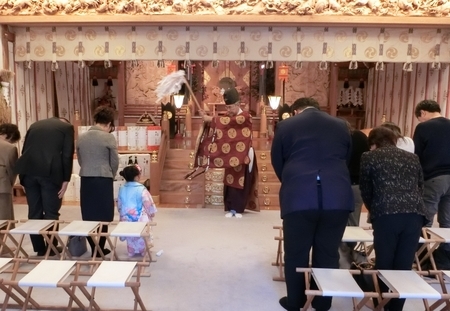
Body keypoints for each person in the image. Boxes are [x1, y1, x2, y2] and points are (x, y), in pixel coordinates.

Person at [271, 97, 353, 311]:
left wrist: (292, 180)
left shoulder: (286, 125)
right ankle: (323, 301)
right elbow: (347, 156)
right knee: (328, 252)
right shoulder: (341, 125)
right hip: (337, 196)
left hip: (299, 194)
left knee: (296, 252)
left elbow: (277, 159)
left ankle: (296, 302)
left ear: (296, 111)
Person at [360, 126, 427, 311]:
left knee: (384, 260)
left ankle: (381, 303)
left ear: (373, 144)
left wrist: (374, 208)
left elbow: (366, 189)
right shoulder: (412, 158)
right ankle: (397, 307)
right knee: (404, 263)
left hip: (385, 213)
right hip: (414, 213)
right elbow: (420, 186)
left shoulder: (369, 157)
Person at [15, 117, 74, 256]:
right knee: (51, 212)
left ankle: (39, 248)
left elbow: (25, 150)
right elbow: (67, 155)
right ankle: (51, 247)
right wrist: (66, 179)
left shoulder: (35, 125)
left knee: (34, 211)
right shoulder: (67, 128)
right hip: (50, 173)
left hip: (28, 171)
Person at [200, 87, 258, 217]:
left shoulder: (246, 116)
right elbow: (221, 125)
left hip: (244, 154)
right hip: (230, 154)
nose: (228, 110)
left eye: (230, 107)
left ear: (238, 104)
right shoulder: (227, 116)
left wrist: (210, 119)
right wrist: (206, 117)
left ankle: (239, 208)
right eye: (227, 108)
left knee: (241, 180)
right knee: (230, 180)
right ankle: (230, 207)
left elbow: (229, 123)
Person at [76, 106, 118, 257]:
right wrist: (110, 174)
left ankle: (93, 248)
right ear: (108, 124)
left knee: (88, 214)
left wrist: (88, 169)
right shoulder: (108, 137)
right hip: (103, 178)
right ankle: (99, 248)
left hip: (86, 178)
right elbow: (114, 162)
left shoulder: (81, 137)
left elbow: (80, 159)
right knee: (104, 214)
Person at [117, 164, 157, 257]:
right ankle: (143, 250)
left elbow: (119, 204)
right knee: (143, 226)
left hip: (126, 217)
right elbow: (148, 202)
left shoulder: (122, 188)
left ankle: (131, 250)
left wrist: (121, 212)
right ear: (137, 176)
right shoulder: (141, 189)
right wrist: (151, 212)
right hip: (138, 217)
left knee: (130, 235)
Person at [0, 123, 21, 220]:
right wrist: (11, 184)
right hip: (2, 185)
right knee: (3, 220)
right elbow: (12, 169)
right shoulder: (10, 148)